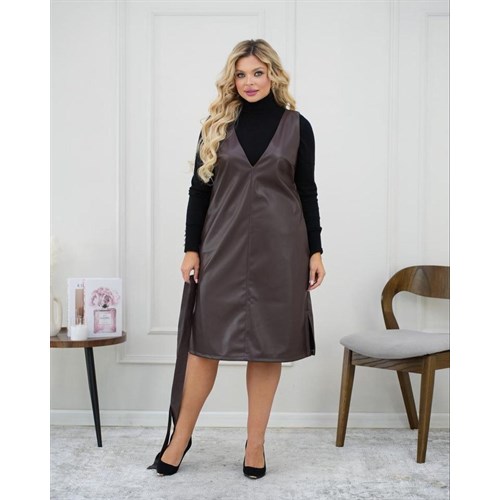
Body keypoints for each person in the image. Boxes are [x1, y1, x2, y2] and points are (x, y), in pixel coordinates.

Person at [153, 39, 325, 479]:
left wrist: (316, 249)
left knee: (267, 349)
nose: (250, 82)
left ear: (273, 75)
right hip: (222, 248)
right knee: (204, 345)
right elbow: (199, 192)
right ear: (232, 79)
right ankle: (180, 438)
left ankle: (255, 444)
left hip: (281, 251)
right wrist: (191, 247)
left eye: (258, 73)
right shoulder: (216, 126)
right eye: (242, 74)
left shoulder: (297, 126)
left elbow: (306, 190)